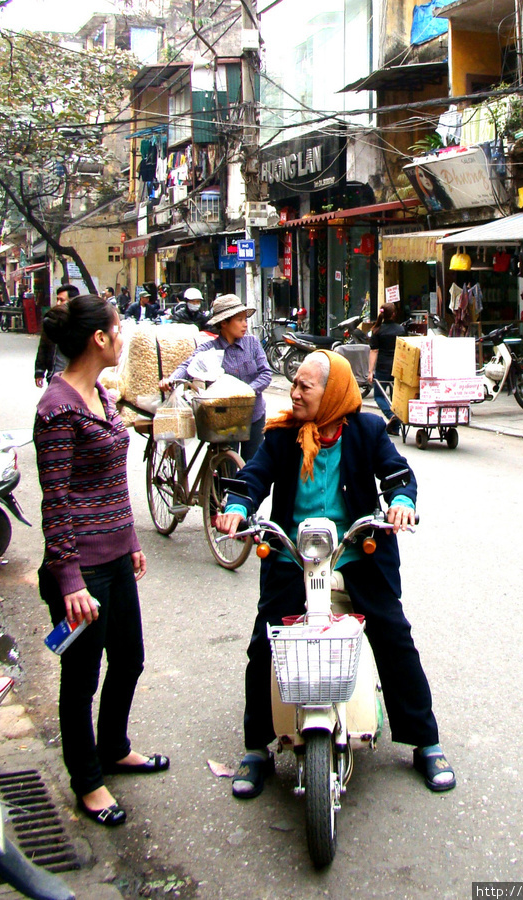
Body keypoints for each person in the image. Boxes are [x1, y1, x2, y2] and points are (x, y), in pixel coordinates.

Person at [216, 350, 455, 799]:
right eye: (296, 383)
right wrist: (236, 507)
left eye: (306, 385)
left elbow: (399, 476)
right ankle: (256, 748)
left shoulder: (366, 429)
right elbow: (253, 478)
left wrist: (402, 503)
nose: (295, 391)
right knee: (264, 644)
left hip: (354, 553)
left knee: (393, 635)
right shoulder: (283, 434)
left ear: (334, 393)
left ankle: (426, 741)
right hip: (292, 555)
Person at [34, 294, 169, 829]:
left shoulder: (103, 397)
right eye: (118, 330)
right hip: (80, 573)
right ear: (99, 338)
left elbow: (112, 482)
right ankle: (86, 780)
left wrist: (132, 539)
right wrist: (69, 579)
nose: (122, 338)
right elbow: (56, 499)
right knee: (81, 676)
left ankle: (113, 747)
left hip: (116, 555)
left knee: (130, 658)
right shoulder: (57, 406)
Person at [160, 294, 272, 463]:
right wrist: (171, 379)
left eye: (245, 320)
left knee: (252, 466)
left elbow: (265, 373)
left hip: (254, 414)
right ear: (224, 323)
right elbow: (188, 365)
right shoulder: (209, 348)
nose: (245, 324)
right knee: (225, 467)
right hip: (224, 418)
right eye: (239, 320)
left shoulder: (252, 343)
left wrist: (247, 390)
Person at [368, 302, 406, 436]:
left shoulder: (377, 330)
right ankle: (394, 427)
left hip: (383, 367)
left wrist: (370, 371)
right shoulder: (401, 330)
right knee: (397, 398)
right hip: (398, 367)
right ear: (394, 314)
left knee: (379, 396)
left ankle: (391, 416)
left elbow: (374, 351)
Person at [35, 285, 79, 388]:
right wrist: (39, 371)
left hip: (76, 378)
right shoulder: (52, 322)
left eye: (61, 300)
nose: (58, 303)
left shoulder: (81, 323)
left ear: (72, 302)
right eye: (57, 299)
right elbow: (43, 347)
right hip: (55, 376)